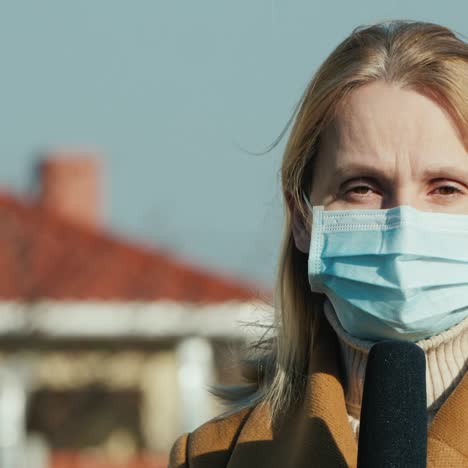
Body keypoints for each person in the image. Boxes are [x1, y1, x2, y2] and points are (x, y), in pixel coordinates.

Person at [169, 19, 468, 467]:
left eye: (445, 188)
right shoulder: (213, 458)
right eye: (362, 188)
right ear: (303, 219)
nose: (403, 221)